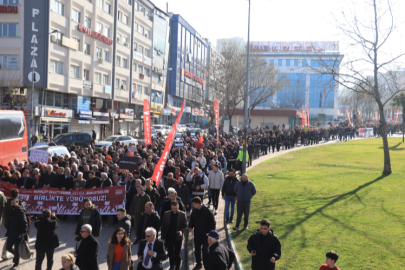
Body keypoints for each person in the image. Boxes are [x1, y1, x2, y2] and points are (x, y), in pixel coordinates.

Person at [189, 197, 216, 270]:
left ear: (198, 203)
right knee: (197, 250)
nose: (193, 205)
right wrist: (190, 227)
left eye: (194, 204)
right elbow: (192, 220)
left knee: (205, 250)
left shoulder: (207, 211)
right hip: (197, 234)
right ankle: (198, 264)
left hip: (206, 235)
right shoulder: (194, 211)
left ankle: (206, 264)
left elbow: (212, 223)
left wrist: (211, 234)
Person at [161, 201, 188, 270]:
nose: (174, 210)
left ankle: (177, 267)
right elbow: (163, 226)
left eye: (175, 208)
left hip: (178, 237)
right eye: (173, 208)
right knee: (170, 253)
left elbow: (185, 225)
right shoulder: (166, 214)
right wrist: (163, 237)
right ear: (171, 207)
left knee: (177, 253)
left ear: (178, 206)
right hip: (169, 236)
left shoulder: (182, 214)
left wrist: (181, 231)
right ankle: (172, 266)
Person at [5, 197, 28, 269]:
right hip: (11, 232)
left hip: (18, 233)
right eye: (11, 203)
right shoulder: (11, 210)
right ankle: (16, 256)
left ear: (17, 203)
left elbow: (24, 222)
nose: (12, 204)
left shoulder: (20, 211)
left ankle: (16, 263)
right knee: (8, 247)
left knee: (16, 248)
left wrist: (24, 232)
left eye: (14, 203)